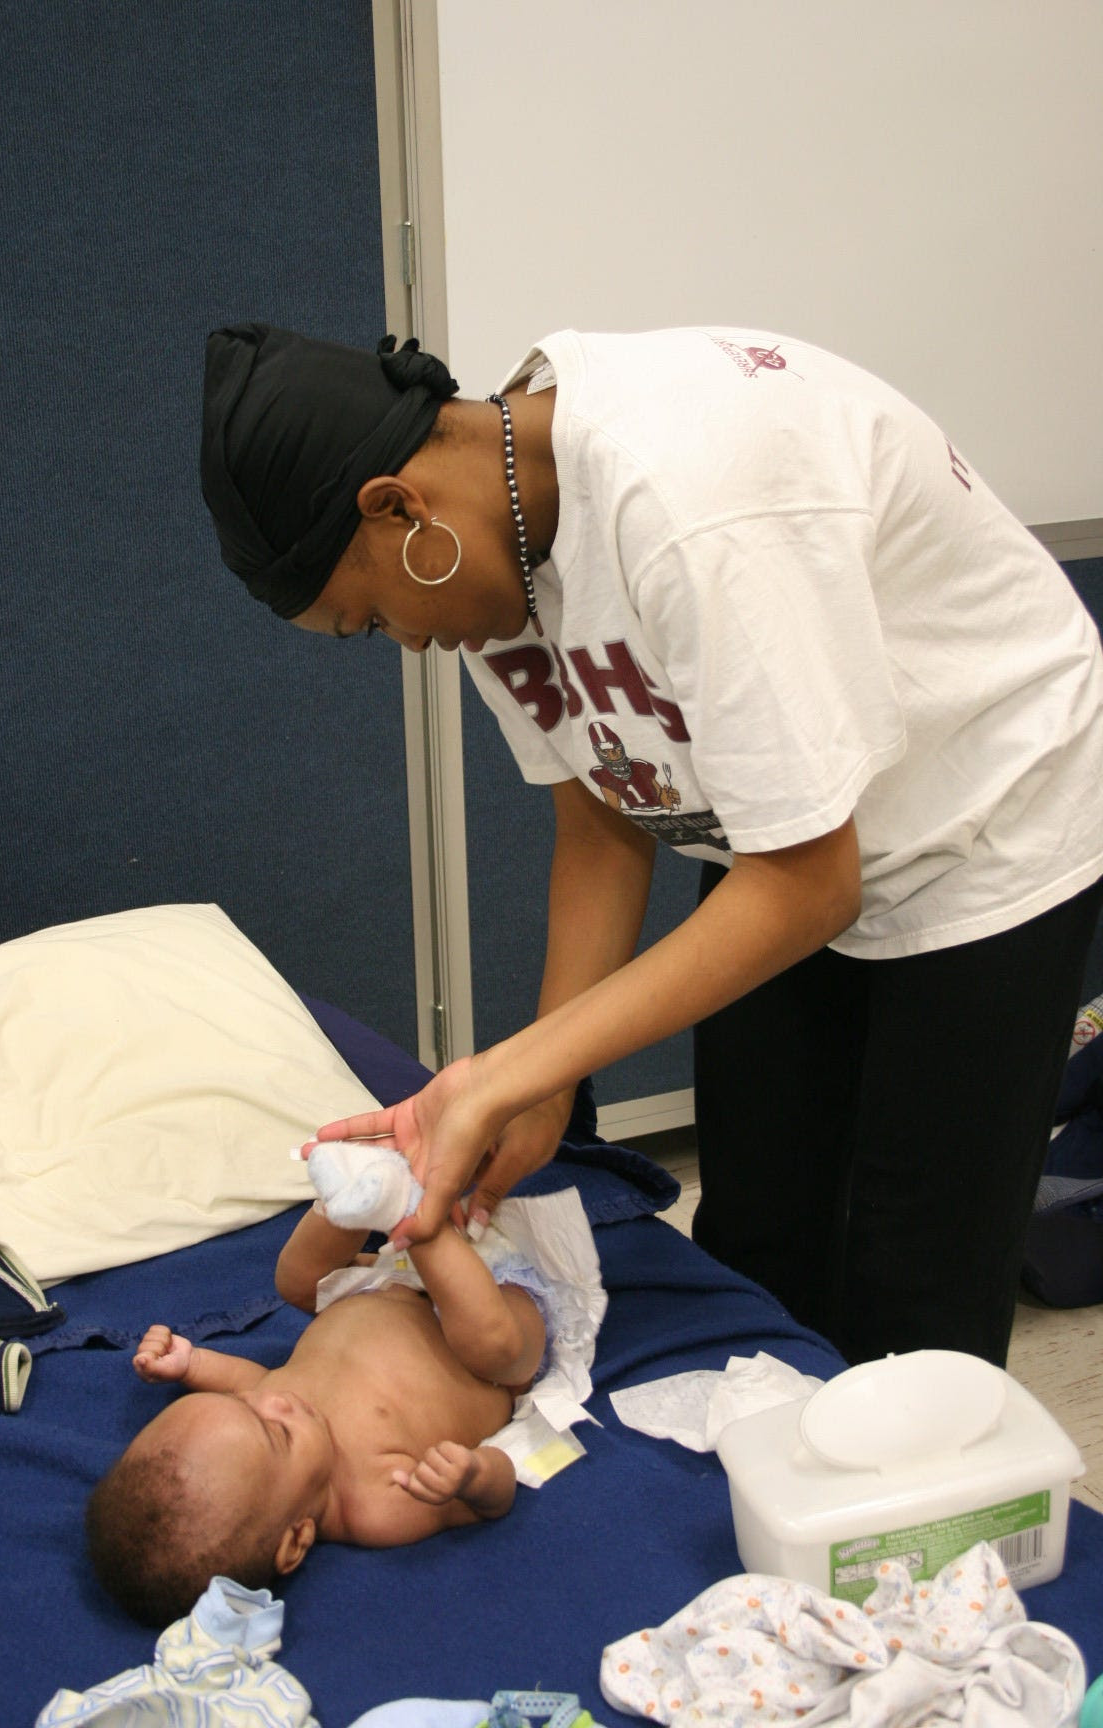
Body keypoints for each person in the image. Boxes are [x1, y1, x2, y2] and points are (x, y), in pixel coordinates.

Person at [200, 321, 1103, 1370]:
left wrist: (495, 1075)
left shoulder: (687, 509)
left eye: (371, 620)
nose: (405, 644)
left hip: (983, 811)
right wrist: (537, 1089)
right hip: (780, 835)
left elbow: (813, 883)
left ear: (397, 508)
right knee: (761, 1228)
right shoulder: (491, 545)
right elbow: (603, 815)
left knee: (914, 1278)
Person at [85, 1205, 546, 1626]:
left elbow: (251, 1384)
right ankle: (418, 1217)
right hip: (496, 1335)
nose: (275, 1399)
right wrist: (474, 1475)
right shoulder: (378, 1506)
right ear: (296, 1541)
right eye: (277, 1432)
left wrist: (190, 1364)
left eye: (240, 1404)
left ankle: (348, 1198)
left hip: (390, 1282)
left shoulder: (268, 1415)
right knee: (492, 1343)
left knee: (297, 1280)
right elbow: (496, 1496)